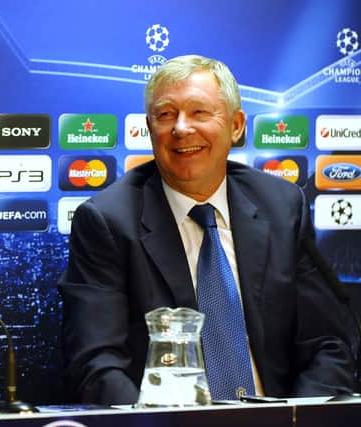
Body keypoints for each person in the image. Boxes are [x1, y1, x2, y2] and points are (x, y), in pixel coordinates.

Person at [58, 54, 355, 404]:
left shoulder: (282, 206)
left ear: (236, 125)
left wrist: (295, 422)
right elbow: (97, 364)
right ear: (149, 128)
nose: (181, 128)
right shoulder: (108, 221)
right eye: (165, 115)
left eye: (199, 112)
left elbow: (327, 345)